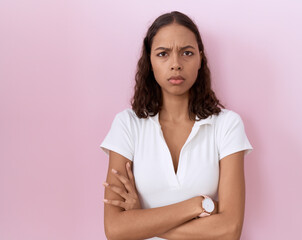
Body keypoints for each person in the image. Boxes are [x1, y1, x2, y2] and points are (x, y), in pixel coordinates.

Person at [100, 11, 253, 240]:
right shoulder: (127, 125)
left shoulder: (227, 125)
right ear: (149, 61)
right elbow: (114, 229)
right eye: (163, 54)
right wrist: (197, 205)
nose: (175, 64)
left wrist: (140, 218)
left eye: (187, 53)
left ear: (200, 58)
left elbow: (230, 230)